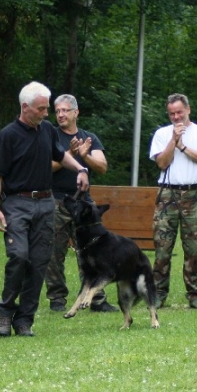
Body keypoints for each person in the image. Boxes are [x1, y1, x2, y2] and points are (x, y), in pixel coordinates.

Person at [0, 81, 89, 337]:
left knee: (39, 263)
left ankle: (25, 321)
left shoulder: (47, 131)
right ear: (25, 107)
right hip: (17, 204)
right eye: (42, 109)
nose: (47, 114)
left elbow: (59, 155)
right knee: (19, 256)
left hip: (46, 203)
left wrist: (80, 168)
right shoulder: (8, 136)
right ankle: (5, 313)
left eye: (48, 109)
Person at [43, 94, 117, 313]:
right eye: (57, 111)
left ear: (76, 112)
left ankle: (96, 298)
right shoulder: (51, 136)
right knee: (54, 252)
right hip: (56, 200)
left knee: (92, 250)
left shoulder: (88, 137)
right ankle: (57, 298)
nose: (61, 115)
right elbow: (45, 167)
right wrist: (70, 156)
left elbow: (102, 167)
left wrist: (85, 155)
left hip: (83, 204)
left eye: (65, 110)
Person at [149, 93, 197, 309]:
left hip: (194, 194)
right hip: (168, 194)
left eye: (179, 112)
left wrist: (183, 147)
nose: (176, 117)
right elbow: (161, 163)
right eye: (172, 114)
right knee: (162, 246)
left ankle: (194, 295)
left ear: (188, 110)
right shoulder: (162, 134)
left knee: (193, 247)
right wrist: (173, 141)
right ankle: (158, 293)